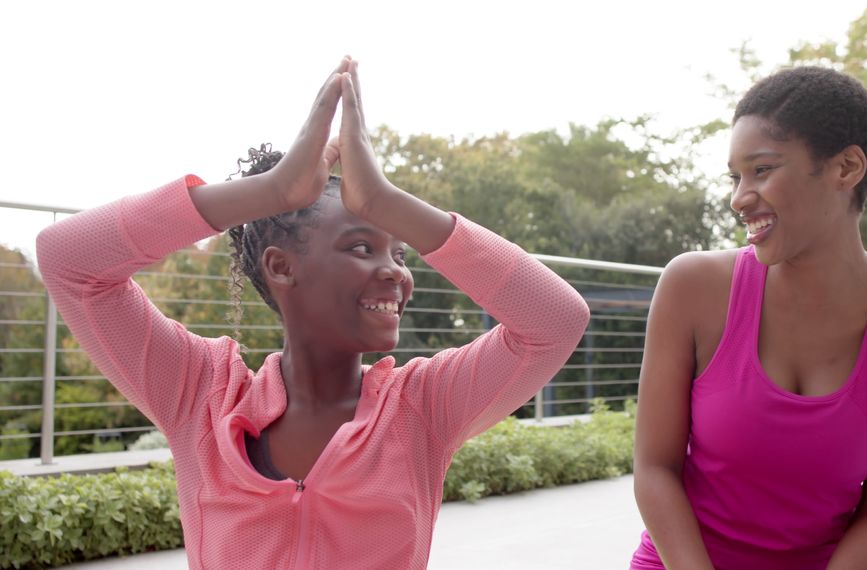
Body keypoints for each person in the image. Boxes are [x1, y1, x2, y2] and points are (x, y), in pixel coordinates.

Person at [36, 57, 590, 569]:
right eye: (359, 247)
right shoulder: (199, 395)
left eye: (400, 253)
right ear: (281, 267)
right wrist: (269, 192)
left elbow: (555, 320)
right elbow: (69, 259)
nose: (396, 271)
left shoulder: (423, 407)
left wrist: (385, 202)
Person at [630, 67, 867, 569]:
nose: (739, 197)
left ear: (846, 168)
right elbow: (654, 468)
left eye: (762, 170)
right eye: (735, 176)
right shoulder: (693, 287)